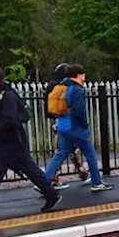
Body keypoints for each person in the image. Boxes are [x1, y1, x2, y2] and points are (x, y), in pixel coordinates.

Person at [0, 65, 61, 220]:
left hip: (14, 142)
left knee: (30, 170)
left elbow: (9, 120)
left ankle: (51, 194)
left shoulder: (7, 95)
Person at [44, 64, 112, 192]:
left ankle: (44, 182)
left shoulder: (61, 86)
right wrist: (84, 125)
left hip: (62, 125)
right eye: (83, 74)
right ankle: (96, 182)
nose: (84, 76)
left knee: (60, 154)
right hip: (75, 127)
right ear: (78, 75)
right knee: (90, 154)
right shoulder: (76, 89)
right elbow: (79, 111)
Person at [43, 63, 89, 190]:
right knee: (65, 150)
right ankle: (51, 178)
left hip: (55, 120)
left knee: (67, 149)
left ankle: (81, 172)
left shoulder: (51, 85)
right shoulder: (63, 86)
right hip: (66, 121)